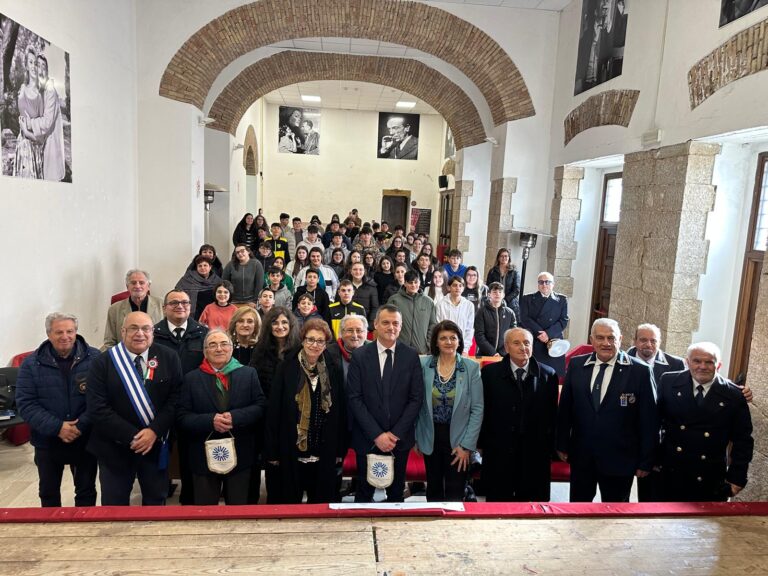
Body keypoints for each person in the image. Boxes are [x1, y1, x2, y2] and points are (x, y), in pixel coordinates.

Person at [86, 312, 182, 506]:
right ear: (123, 332)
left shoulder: (169, 357)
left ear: (152, 332)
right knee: (114, 506)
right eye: (133, 328)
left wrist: (154, 431)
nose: (140, 333)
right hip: (114, 448)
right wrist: (135, 436)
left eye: (145, 328)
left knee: (156, 503)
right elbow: (97, 408)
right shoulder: (102, 362)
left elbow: (176, 399)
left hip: (154, 446)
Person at [556, 318, 658, 502]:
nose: (606, 343)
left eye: (611, 338)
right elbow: (565, 409)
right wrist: (562, 443)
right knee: (578, 510)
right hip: (582, 456)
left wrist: (646, 460)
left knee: (614, 516)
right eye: (600, 338)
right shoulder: (577, 365)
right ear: (592, 340)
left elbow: (649, 420)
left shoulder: (640, 371)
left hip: (620, 459)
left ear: (620, 339)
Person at [16, 313, 99, 507]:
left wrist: (81, 426)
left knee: (86, 491)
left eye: (70, 331)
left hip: (84, 438)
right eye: (58, 332)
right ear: (48, 334)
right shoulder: (30, 363)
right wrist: (58, 427)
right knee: (48, 492)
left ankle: (85, 533)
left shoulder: (95, 358)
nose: (65, 336)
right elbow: (26, 403)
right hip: (47, 441)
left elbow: (101, 399)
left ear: (76, 332)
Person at [177, 329, 266, 505]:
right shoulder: (191, 379)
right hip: (202, 456)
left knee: (238, 510)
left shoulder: (248, 374)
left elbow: (260, 406)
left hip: (241, 453)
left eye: (224, 344)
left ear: (231, 348)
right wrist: (211, 420)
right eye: (213, 345)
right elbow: (182, 416)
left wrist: (235, 417)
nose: (219, 349)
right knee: (205, 511)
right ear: (205, 351)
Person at [346, 304, 424, 502]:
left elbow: (416, 399)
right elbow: (354, 398)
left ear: (400, 326)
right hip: (368, 439)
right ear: (376, 325)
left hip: (399, 439)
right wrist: (377, 435)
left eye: (395, 323)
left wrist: (394, 434)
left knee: (396, 493)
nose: (391, 327)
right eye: (386, 323)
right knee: (364, 492)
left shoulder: (411, 356)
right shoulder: (360, 356)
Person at [657, 342, 754, 502]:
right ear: (687, 362)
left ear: (719, 365)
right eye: (697, 361)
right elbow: (654, 423)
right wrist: (651, 461)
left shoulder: (734, 395)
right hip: (670, 471)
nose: (703, 366)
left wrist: (737, 478)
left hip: (710, 476)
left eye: (709, 362)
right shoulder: (668, 382)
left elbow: (743, 441)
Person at [266, 319, 347, 503]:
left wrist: (339, 450)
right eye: (310, 339)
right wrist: (272, 451)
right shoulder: (286, 367)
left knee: (321, 504)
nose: (314, 345)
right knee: (289, 503)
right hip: (291, 448)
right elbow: (274, 411)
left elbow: (340, 411)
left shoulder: (333, 368)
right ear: (302, 340)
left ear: (326, 344)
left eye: (320, 341)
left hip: (323, 448)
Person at [478, 328, 558, 501]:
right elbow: (483, 412)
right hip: (499, 450)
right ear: (506, 347)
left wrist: (552, 448)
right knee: (497, 508)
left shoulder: (548, 375)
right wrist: (481, 443)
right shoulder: (489, 374)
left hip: (534, 453)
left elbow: (552, 417)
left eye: (527, 343)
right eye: (516, 343)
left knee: (531, 509)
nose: (523, 347)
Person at [416, 320, 483, 502]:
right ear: (436, 342)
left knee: (455, 490)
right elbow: (415, 402)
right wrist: (418, 437)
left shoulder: (471, 368)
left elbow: (477, 409)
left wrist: (467, 446)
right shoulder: (423, 364)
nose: (448, 342)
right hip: (431, 435)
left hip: (459, 439)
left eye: (453, 338)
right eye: (443, 338)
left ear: (459, 341)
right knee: (434, 489)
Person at [248, 307, 301, 503]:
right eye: (275, 323)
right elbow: (255, 385)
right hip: (267, 416)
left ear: (291, 325)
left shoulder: (299, 351)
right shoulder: (260, 351)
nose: (280, 327)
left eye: (284, 323)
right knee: (272, 460)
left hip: (292, 416)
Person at [519, 272, 569, 377]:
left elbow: (564, 320)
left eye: (547, 282)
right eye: (541, 282)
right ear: (538, 284)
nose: (544, 285)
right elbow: (524, 319)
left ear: (553, 284)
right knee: (535, 376)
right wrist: (540, 334)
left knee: (554, 378)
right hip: (536, 341)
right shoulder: (527, 299)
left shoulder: (562, 300)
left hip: (554, 342)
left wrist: (548, 334)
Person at [25, 53, 65, 180]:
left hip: (52, 148)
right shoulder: (41, 91)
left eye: (43, 66)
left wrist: (30, 123)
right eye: (38, 65)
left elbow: (47, 122)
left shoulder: (50, 91)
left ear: (47, 71)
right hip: (43, 146)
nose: (40, 69)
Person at [102, 269, 164, 350]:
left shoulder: (162, 304)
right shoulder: (114, 309)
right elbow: (109, 342)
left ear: (148, 286)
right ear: (127, 287)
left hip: (156, 356)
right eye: (133, 283)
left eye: (141, 283)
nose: (137, 286)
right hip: (125, 356)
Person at [152, 290, 209, 376]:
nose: (179, 306)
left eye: (185, 302)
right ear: (164, 308)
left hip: (194, 386)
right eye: (174, 303)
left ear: (190, 306)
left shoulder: (204, 334)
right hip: (164, 387)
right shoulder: (152, 334)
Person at [387, 270, 437, 354]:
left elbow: (432, 325)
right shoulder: (394, 300)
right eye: (410, 282)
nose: (413, 285)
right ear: (405, 283)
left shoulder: (429, 302)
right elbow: (388, 323)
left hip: (421, 351)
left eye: (416, 282)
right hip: (398, 350)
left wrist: (428, 345)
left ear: (420, 282)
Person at [13, 46, 43, 178]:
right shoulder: (23, 90)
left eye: (35, 63)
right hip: (25, 149)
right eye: (30, 62)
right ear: (26, 65)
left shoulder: (41, 95)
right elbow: (24, 123)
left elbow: (41, 135)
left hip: (37, 151)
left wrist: (27, 130)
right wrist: (26, 130)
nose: (33, 66)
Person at [626, 323, 686, 388]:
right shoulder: (620, 361)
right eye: (643, 340)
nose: (648, 345)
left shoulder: (676, 365)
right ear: (635, 341)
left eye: (653, 341)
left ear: (659, 343)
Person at [474, 282, 517, 357]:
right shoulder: (481, 312)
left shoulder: (510, 313)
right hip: (485, 354)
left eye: (500, 292)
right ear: (489, 294)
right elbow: (479, 335)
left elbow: (513, 335)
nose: (497, 294)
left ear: (503, 295)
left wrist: (502, 352)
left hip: (504, 355)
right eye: (494, 292)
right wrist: (493, 353)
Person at [436, 275, 475, 347]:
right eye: (454, 285)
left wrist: (465, 348)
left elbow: (469, 329)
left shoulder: (469, 305)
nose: (458, 288)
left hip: (462, 345)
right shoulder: (440, 304)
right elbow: (438, 327)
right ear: (448, 287)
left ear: (463, 288)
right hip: (445, 344)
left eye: (460, 286)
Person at [326, 315, 369, 379]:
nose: (355, 335)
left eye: (359, 330)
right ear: (341, 333)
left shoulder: (376, 351)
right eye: (350, 330)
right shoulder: (329, 353)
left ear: (366, 333)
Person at [486, 248, 521, 319]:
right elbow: (488, 287)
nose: (504, 258)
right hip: (494, 301)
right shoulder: (492, 271)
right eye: (501, 256)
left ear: (509, 258)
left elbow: (516, 290)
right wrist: (496, 298)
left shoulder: (514, 272)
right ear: (498, 258)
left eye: (506, 256)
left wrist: (505, 299)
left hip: (511, 303)